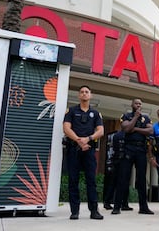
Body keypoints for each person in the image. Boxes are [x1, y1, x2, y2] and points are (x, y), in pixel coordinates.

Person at [63, 85, 104, 220]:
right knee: (73, 180)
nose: (84, 94)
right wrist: (78, 141)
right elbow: (66, 128)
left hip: (89, 150)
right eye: (82, 92)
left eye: (87, 92)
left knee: (91, 181)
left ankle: (94, 211)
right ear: (78, 95)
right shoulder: (71, 111)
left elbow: (100, 131)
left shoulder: (96, 113)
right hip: (73, 149)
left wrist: (88, 139)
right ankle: (74, 211)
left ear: (90, 95)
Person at [112, 98, 154, 215]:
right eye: (136, 103)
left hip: (141, 150)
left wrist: (135, 128)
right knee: (123, 178)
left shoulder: (146, 118)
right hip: (128, 149)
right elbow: (126, 128)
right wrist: (135, 117)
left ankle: (143, 207)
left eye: (140, 103)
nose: (138, 105)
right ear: (132, 104)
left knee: (141, 180)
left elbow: (150, 131)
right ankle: (117, 207)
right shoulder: (126, 116)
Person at [103, 130, 133, 211]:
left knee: (117, 182)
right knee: (120, 182)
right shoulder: (119, 135)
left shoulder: (115, 135)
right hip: (118, 160)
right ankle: (121, 203)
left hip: (117, 160)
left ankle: (111, 202)